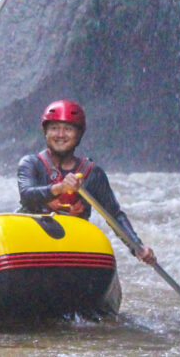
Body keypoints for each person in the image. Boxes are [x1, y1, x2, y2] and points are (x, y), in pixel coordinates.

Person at [17, 99, 157, 265]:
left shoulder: (92, 173)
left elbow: (114, 215)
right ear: (45, 132)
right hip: (31, 245)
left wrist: (137, 247)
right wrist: (60, 188)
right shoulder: (31, 164)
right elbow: (26, 195)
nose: (60, 135)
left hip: (71, 247)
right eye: (54, 128)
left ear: (79, 134)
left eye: (68, 129)